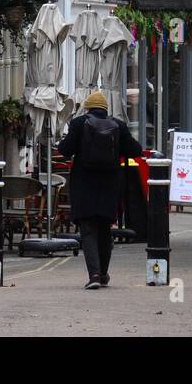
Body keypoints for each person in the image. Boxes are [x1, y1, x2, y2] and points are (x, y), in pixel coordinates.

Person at [56, 90, 143, 290]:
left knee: (88, 230)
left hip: (84, 183)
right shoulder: (118, 126)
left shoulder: (79, 124)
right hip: (110, 185)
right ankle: (103, 274)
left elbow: (64, 150)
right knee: (105, 229)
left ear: (87, 108)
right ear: (105, 109)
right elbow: (136, 150)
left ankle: (94, 274)